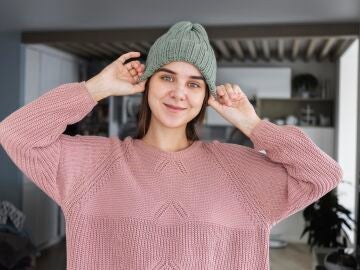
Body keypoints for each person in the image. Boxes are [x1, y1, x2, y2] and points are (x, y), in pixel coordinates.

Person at [0, 21, 343, 270]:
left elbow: (323, 174)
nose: (179, 92)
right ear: (146, 84)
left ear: (206, 97)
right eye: (167, 77)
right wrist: (95, 88)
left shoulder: (239, 170)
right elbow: (17, 134)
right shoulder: (95, 163)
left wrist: (253, 124)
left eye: (194, 84)